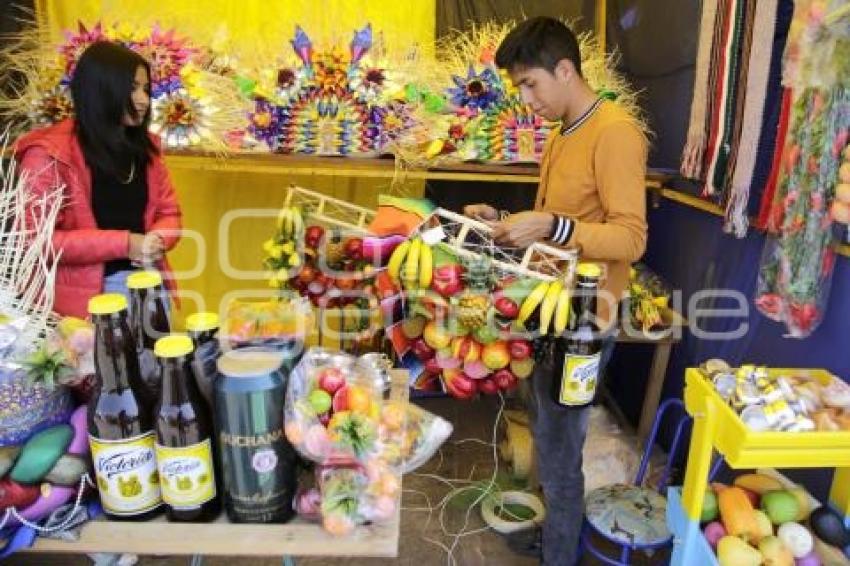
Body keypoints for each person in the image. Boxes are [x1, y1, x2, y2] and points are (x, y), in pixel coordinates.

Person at [464, 17, 648, 565]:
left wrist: (549, 226)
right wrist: (501, 222)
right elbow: (560, 223)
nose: (525, 99)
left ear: (565, 69)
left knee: (563, 450)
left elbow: (631, 238)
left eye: (530, 84)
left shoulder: (613, 131)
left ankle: (560, 556)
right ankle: (558, 537)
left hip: (585, 322)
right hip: (553, 308)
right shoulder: (564, 131)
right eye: (519, 88)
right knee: (547, 434)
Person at [15, 41, 181, 318]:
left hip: (151, 286)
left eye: (146, 89)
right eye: (132, 89)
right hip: (85, 304)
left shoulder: (146, 149)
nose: (144, 99)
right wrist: (125, 243)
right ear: (100, 90)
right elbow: (36, 241)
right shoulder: (48, 154)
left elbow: (170, 212)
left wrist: (157, 239)